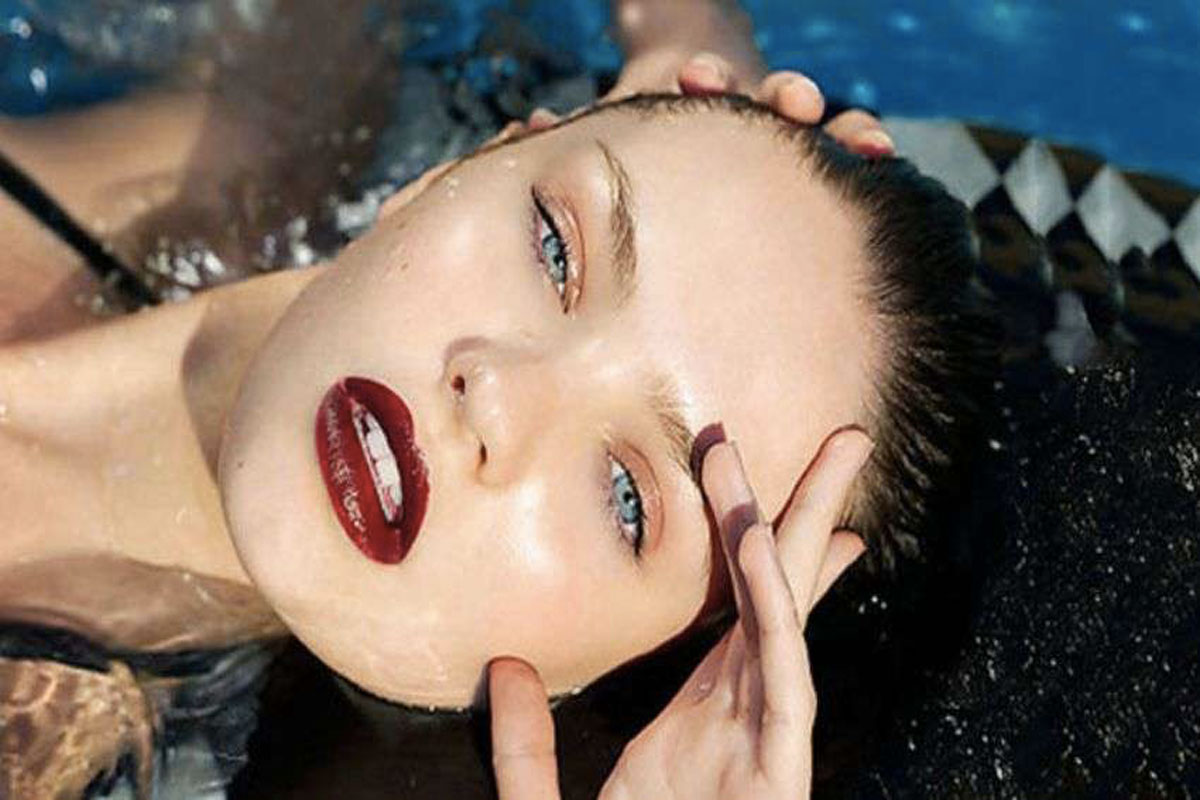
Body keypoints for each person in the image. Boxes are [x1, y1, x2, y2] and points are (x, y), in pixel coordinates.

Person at [0, 1, 995, 797]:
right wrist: (692, 34)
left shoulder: (30, 737)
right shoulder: (266, 132)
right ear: (453, 171)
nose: (500, 395)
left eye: (627, 498)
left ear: (650, 675)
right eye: (555, 248)